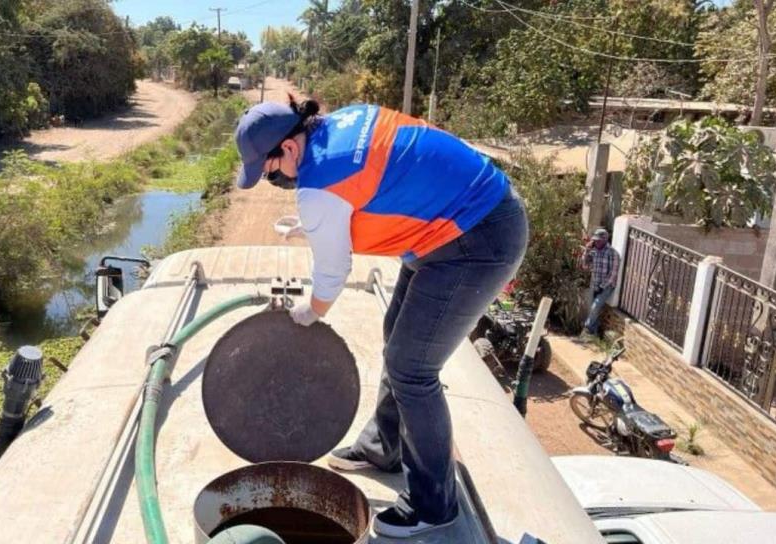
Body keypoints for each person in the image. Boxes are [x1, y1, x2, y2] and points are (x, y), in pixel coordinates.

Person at [233, 97, 528, 538]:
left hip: (476, 236)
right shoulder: (338, 124)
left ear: (290, 149)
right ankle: (383, 446)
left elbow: (331, 275)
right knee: (398, 337)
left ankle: (433, 505)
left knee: (413, 367)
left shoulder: (317, 186)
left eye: (271, 170)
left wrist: (310, 312)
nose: (273, 179)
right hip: (455, 221)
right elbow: (375, 185)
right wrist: (314, 223)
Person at [579, 228, 620, 337]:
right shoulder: (594, 251)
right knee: (593, 308)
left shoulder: (613, 253)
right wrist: (586, 250)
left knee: (595, 307)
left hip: (607, 286)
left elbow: (613, 273)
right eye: (595, 240)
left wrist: (602, 287)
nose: (596, 242)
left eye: (599, 240)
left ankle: (587, 329)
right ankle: (594, 332)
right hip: (595, 283)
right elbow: (585, 266)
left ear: (605, 240)